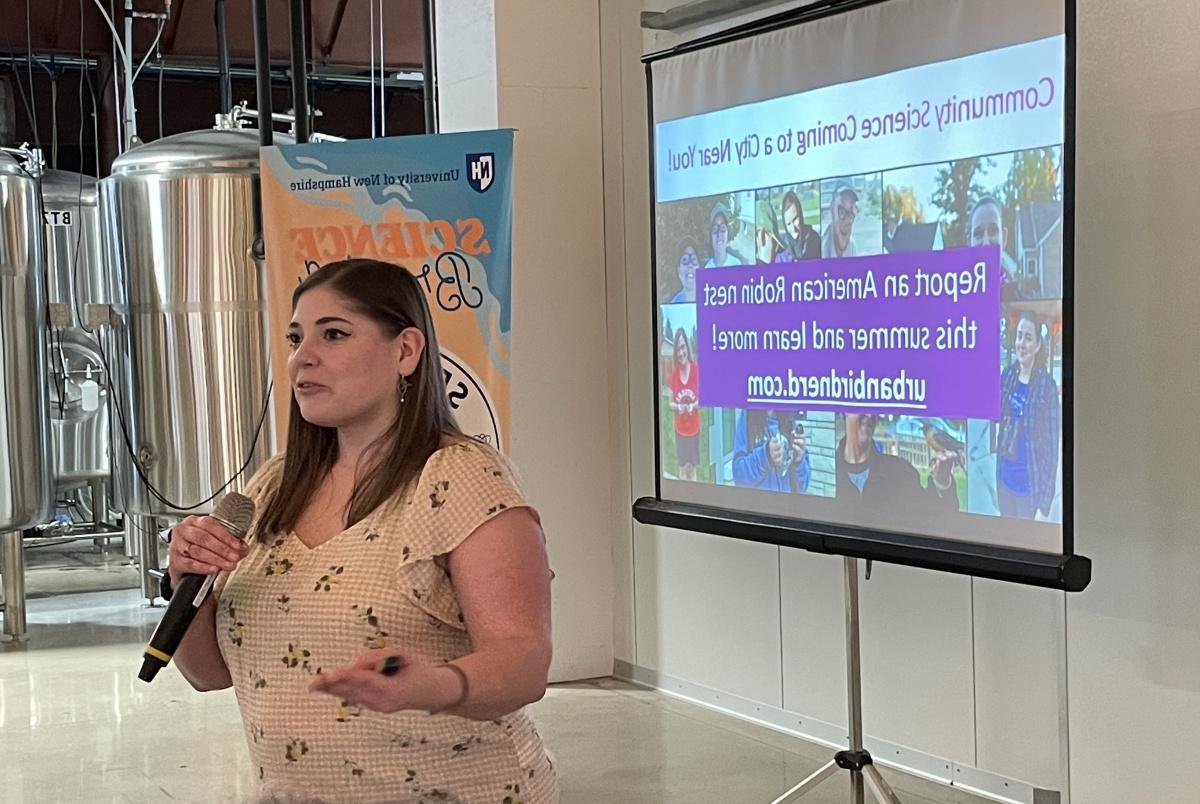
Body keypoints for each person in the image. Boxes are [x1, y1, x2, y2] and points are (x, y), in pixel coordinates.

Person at [165, 259, 557, 803]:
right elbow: (207, 674)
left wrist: (436, 686)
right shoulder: (272, 487)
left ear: (405, 351)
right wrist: (188, 581)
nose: (304, 357)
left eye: (334, 334)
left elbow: (523, 663)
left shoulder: (458, 477)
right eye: (296, 338)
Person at [995, 311, 1060, 519]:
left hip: (1028, 490)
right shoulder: (1007, 376)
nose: (1021, 343)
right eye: (1019, 336)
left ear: (1038, 346)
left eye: (1028, 338)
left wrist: (1044, 504)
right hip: (1004, 482)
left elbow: (1051, 449)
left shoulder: (1046, 387)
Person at [834, 413, 959, 515]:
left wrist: (942, 482)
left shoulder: (902, 472)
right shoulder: (824, 470)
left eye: (873, 408)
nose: (869, 414)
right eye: (860, 405)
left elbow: (939, 521)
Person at [732, 409, 811, 493]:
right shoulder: (747, 418)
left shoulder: (789, 420)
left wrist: (798, 461)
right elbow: (739, 477)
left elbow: (803, 486)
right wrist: (766, 455)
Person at [968, 195, 1024, 301]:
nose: (986, 243)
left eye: (993, 231)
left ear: (1004, 238)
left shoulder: (1020, 306)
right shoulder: (955, 302)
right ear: (969, 242)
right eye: (978, 234)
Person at [667, 328, 700, 481]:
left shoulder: (696, 370)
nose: (681, 353)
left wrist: (693, 406)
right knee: (682, 470)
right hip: (680, 431)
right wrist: (679, 407)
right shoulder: (674, 375)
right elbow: (670, 403)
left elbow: (703, 400)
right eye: (678, 349)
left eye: (683, 347)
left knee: (692, 469)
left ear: (687, 347)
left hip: (694, 430)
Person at [756, 190, 821, 264]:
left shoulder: (815, 240)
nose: (793, 229)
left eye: (795, 219)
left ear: (801, 215)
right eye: (788, 224)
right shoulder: (782, 255)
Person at [703, 201, 744, 267]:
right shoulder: (707, 268)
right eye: (715, 229)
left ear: (728, 233)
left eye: (723, 228)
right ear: (710, 236)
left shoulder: (736, 264)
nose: (719, 234)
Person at [822, 185, 859, 258]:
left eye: (850, 213)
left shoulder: (852, 246)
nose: (846, 221)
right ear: (832, 209)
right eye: (841, 211)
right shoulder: (820, 249)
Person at [669, 237, 701, 303]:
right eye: (685, 260)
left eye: (694, 259)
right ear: (678, 270)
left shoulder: (711, 301)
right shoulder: (673, 306)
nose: (690, 265)